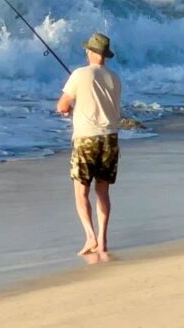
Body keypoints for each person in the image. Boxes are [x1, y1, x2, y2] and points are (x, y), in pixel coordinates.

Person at [56, 32, 122, 256]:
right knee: (102, 192)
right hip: (110, 139)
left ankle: (90, 237)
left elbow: (62, 107)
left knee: (80, 192)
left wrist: (72, 108)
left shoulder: (78, 74)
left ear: (92, 53)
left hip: (86, 139)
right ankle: (103, 240)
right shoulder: (115, 78)